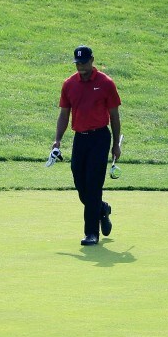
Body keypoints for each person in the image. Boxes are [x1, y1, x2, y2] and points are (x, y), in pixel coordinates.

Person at [53, 45, 122, 246]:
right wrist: (57, 139)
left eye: (84, 63)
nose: (80, 67)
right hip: (80, 138)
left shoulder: (106, 83)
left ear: (92, 60)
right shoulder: (69, 84)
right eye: (77, 63)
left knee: (93, 185)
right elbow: (64, 114)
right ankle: (102, 208)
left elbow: (114, 116)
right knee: (80, 182)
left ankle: (91, 233)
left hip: (100, 138)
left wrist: (116, 145)